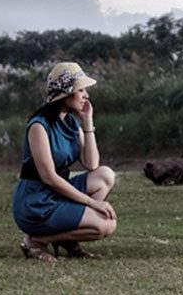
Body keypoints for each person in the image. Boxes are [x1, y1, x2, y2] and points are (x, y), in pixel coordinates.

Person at [12, 62, 117, 262]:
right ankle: (37, 240)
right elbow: (49, 178)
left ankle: (65, 240)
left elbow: (92, 164)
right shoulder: (38, 126)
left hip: (57, 193)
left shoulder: (70, 123)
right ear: (65, 94)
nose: (86, 95)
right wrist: (91, 202)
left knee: (105, 175)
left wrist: (87, 122)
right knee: (105, 225)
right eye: (81, 89)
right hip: (36, 202)